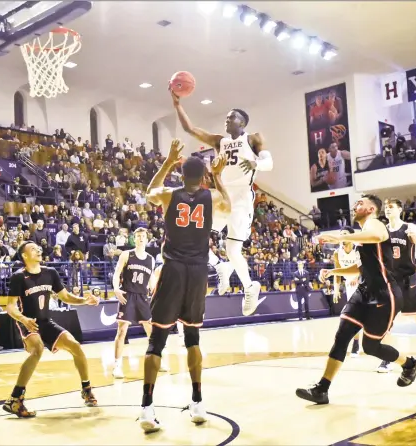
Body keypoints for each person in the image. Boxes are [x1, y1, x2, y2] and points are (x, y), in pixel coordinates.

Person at [138, 139, 231, 432]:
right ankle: (197, 402)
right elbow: (227, 205)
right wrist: (217, 175)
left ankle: (146, 408)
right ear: (202, 177)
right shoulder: (211, 196)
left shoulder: (169, 194)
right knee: (192, 339)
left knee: (157, 341)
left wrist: (167, 162)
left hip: (173, 270)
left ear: (181, 175)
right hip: (198, 272)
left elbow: (148, 192)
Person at [296, 194, 416, 405]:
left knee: (371, 347)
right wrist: (334, 271)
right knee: (342, 334)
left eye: (361, 203)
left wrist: (341, 238)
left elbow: (378, 236)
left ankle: (409, 364)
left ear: (372, 209)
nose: (355, 205)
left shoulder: (375, 224)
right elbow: (361, 268)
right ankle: (322, 389)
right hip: (363, 292)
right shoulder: (364, 236)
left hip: (385, 294)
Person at [171, 89, 273, 316]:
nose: (227, 120)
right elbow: (190, 129)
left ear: (242, 122)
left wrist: (256, 164)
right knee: (190, 234)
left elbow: (269, 162)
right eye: (226, 117)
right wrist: (177, 105)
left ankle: (249, 287)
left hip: (241, 198)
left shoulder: (253, 138)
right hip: (221, 195)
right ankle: (220, 266)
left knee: (233, 248)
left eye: (231, 117)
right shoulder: (220, 141)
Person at [3, 241, 100, 418]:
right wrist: (23, 320)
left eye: (38, 248)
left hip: (46, 322)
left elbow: (65, 296)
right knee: (37, 349)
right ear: (24, 256)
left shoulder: (50, 272)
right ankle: (15, 399)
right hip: (29, 322)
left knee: (75, 346)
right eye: (33, 249)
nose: (38, 250)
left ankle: (86, 389)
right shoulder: (19, 277)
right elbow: (10, 307)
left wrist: (84, 300)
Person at [376, 198, 416, 372]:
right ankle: (388, 358)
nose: (388, 210)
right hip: (391, 280)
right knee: (386, 322)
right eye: (386, 207)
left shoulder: (409, 228)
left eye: (391, 207)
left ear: (400, 210)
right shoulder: (382, 232)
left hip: (409, 279)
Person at [112, 227, 164, 378]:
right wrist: (116, 288)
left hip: (142, 297)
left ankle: (156, 360)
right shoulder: (126, 255)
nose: (141, 238)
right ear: (134, 239)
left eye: (143, 236)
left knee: (151, 331)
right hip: (127, 295)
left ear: (147, 239)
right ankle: (117, 366)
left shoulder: (151, 259)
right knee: (122, 331)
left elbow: (151, 281)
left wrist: (158, 294)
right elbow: (116, 273)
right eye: (138, 236)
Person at [333, 226, 361, 357]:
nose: (342, 236)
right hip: (350, 286)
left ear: (351, 236)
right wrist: (336, 290)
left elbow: (367, 266)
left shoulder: (358, 248)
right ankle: (356, 343)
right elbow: (337, 273)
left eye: (345, 234)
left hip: (365, 283)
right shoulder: (337, 253)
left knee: (369, 316)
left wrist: (357, 276)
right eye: (340, 234)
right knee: (353, 316)